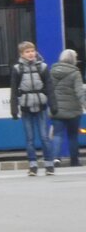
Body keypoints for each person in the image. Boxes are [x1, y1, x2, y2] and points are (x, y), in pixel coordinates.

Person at [9, 41, 55, 176]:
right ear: (21, 54)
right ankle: (33, 165)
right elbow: (14, 90)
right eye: (27, 52)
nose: (30, 54)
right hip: (26, 107)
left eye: (32, 51)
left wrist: (53, 105)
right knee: (29, 139)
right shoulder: (18, 69)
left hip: (41, 106)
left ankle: (49, 164)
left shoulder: (43, 67)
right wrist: (14, 109)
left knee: (44, 137)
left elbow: (50, 87)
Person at [48, 48, 85, 168]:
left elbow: (49, 90)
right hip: (73, 110)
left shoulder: (52, 71)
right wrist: (84, 103)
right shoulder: (75, 73)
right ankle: (74, 160)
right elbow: (79, 91)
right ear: (73, 59)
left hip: (56, 109)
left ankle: (56, 159)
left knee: (57, 134)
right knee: (73, 136)